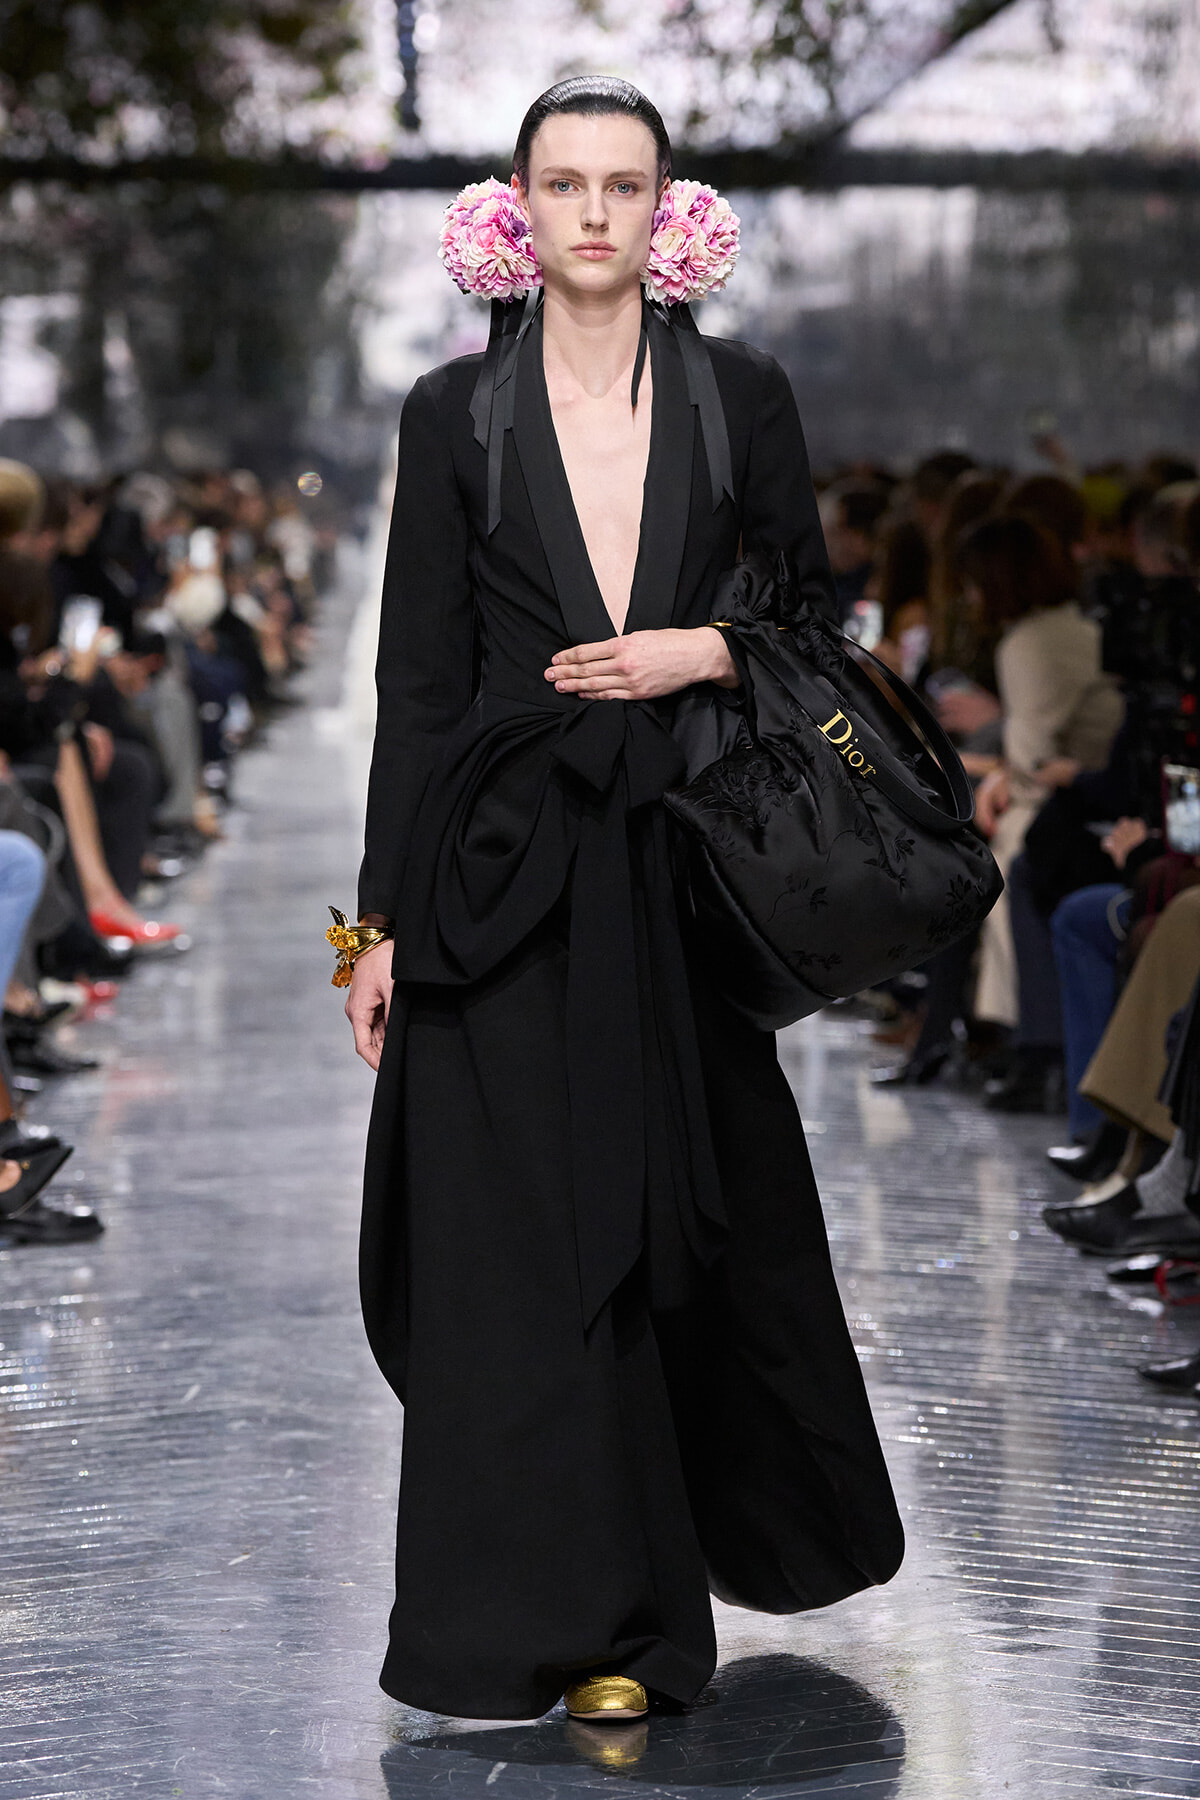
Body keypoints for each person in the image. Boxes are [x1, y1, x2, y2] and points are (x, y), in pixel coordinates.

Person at [341, 78, 903, 1725]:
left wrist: (704, 648)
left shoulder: (744, 399)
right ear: (518, 210)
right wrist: (367, 930)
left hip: (675, 870)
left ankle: (646, 1631)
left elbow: (816, 620)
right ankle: (507, 1623)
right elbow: (416, 682)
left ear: (671, 211)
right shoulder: (457, 414)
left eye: (626, 184)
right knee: (507, 1255)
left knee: (667, 1231)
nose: (596, 212)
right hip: (493, 876)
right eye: (566, 184)